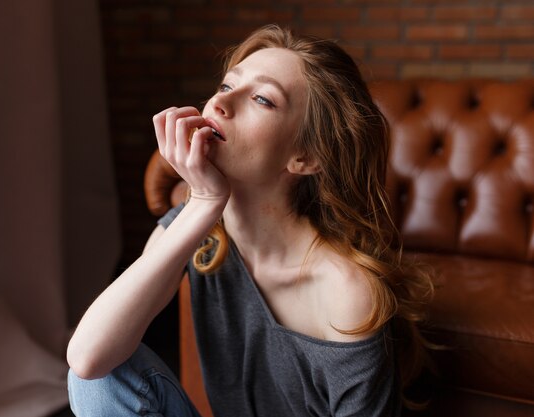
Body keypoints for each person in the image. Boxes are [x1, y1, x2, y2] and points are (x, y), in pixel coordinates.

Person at [66, 24, 434, 417]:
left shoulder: (346, 292)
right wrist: (204, 203)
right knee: (104, 375)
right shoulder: (198, 232)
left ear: (306, 156)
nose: (221, 104)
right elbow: (88, 361)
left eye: (262, 99)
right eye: (226, 86)